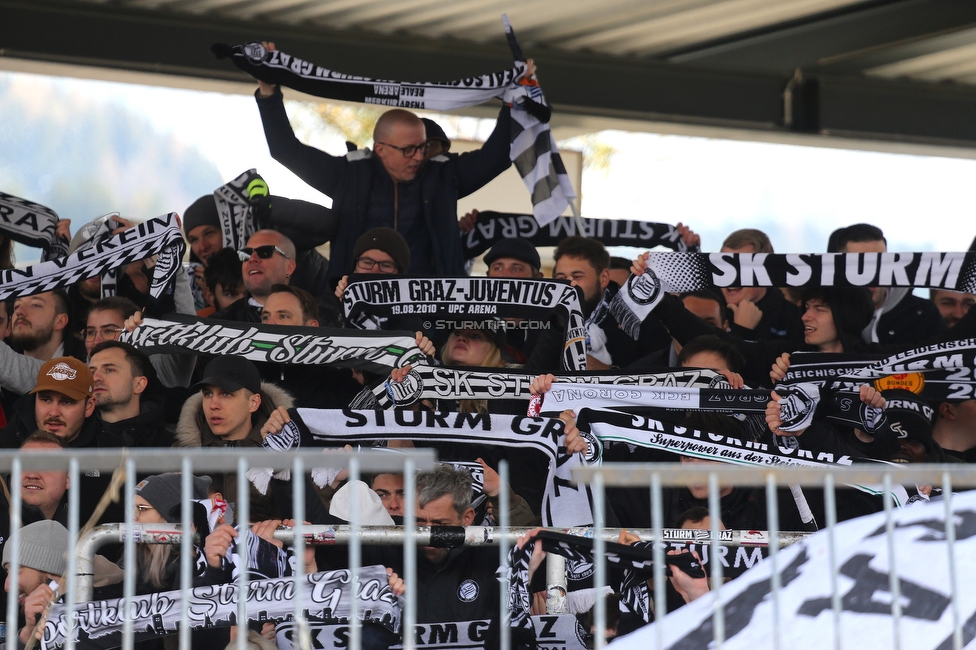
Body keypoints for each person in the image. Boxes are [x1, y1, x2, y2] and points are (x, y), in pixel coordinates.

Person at [253, 41, 521, 278]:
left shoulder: (443, 174)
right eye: (408, 150)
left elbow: (496, 157)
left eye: (423, 147)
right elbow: (286, 150)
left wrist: (513, 104)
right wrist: (268, 93)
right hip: (355, 304)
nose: (418, 156)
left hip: (429, 306)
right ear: (381, 149)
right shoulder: (348, 174)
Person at [175, 356, 294, 522]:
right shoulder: (180, 455)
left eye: (226, 394)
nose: (213, 404)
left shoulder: (286, 453)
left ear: (254, 403)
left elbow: (312, 513)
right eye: (208, 394)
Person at [553, 236, 670, 369]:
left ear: (603, 278)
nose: (569, 284)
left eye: (577, 276)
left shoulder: (639, 317)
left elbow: (662, 376)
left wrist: (608, 372)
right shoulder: (548, 318)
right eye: (561, 278)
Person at [827, 223, 946, 346]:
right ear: (841, 268)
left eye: (880, 262)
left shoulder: (923, 314)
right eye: (861, 265)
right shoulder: (819, 314)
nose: (872, 273)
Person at [719, 229, 803, 343]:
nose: (731, 277)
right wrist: (742, 329)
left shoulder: (794, 317)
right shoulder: (706, 307)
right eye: (724, 267)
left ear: (765, 272)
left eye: (742, 268)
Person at [0, 290, 86, 397]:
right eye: (16, 306)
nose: (19, 312)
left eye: (36, 305)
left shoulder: (87, 363)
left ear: (60, 321)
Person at [89, 341, 173, 447]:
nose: (95, 378)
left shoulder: (171, 447)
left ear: (138, 384)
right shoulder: (73, 441)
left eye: (109, 370)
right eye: (91, 372)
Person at [212, 230, 297, 323]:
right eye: (246, 254)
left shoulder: (312, 315)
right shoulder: (217, 324)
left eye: (264, 252)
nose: (252, 259)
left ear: (289, 267)